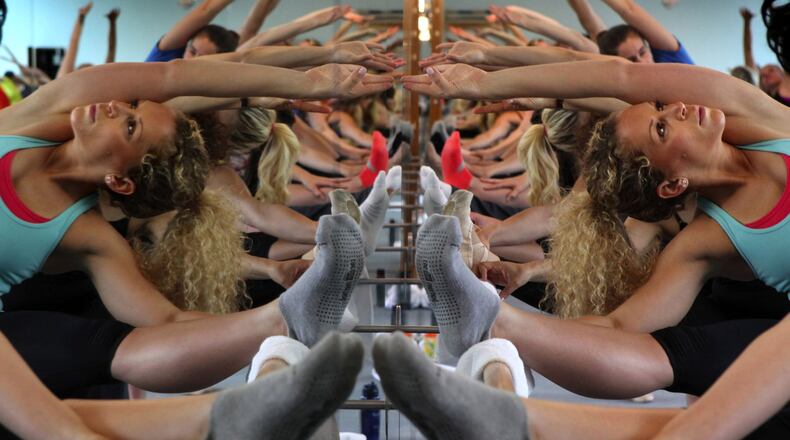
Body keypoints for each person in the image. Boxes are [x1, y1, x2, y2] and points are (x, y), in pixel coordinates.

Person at [0, 56, 391, 436]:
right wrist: (311, 78)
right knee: (65, 419)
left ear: (119, 181)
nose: (115, 106)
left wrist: (281, 315)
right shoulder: (40, 118)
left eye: (130, 125)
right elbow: (175, 76)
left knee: (113, 361)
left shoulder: (87, 235)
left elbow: (167, 322)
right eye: (132, 106)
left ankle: (282, 323)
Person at [403, 58, 790, 438]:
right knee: (669, 354)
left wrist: (486, 80)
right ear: (672, 185)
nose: (678, 106)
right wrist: (495, 313)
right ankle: (491, 320)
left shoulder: (757, 119)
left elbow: (623, 75)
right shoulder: (706, 241)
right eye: (661, 127)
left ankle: (527, 411)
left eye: (660, 108)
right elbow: (618, 326)